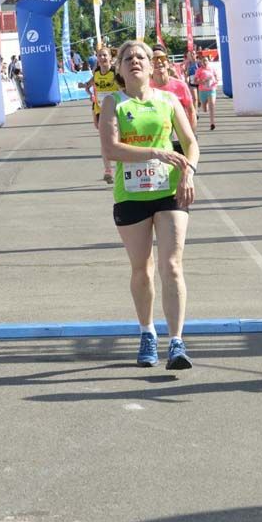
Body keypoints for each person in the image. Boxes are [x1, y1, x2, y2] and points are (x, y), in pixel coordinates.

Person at [98, 40, 198, 370]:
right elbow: (111, 149)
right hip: (131, 195)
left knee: (171, 266)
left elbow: (190, 144)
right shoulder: (113, 102)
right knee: (142, 268)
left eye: (141, 56)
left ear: (152, 65)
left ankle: (177, 342)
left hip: (169, 191)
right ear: (119, 68)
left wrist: (189, 172)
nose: (135, 61)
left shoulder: (168, 100)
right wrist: (156, 152)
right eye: (127, 58)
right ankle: (147, 332)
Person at [80, 46, 121, 183]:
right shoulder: (96, 72)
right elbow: (89, 84)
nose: (102, 58)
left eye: (105, 55)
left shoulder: (115, 72)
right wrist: (90, 93)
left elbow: (124, 88)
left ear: (110, 57)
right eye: (100, 55)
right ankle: (108, 171)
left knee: (117, 139)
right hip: (100, 109)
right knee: (104, 140)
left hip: (115, 109)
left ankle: (121, 166)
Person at [151, 45, 196, 152]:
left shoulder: (180, 85)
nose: (159, 62)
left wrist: (191, 136)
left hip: (179, 140)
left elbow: (191, 111)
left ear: (168, 62)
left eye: (162, 58)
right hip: (157, 142)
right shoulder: (146, 87)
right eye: (154, 59)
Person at [194, 54, 219, 131]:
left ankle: (212, 123)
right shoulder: (199, 70)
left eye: (206, 60)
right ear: (201, 62)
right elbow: (195, 81)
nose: (205, 62)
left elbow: (216, 77)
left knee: (212, 106)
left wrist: (215, 81)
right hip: (202, 91)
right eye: (203, 61)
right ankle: (205, 103)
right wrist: (203, 81)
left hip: (211, 90)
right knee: (204, 109)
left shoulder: (212, 69)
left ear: (209, 61)